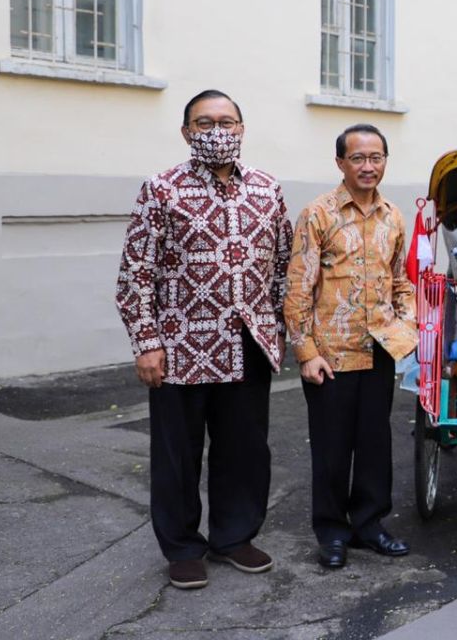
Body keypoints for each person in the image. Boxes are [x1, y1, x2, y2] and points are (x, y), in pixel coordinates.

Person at [115, 89, 292, 590]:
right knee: (178, 455)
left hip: (247, 345)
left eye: (228, 121)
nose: (218, 130)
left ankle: (234, 537)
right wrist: (145, 341)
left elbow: (283, 266)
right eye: (205, 122)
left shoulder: (267, 188)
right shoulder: (161, 189)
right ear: (186, 131)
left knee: (244, 450)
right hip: (179, 348)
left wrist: (279, 329)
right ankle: (182, 547)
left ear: (242, 128)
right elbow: (135, 272)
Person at [284, 123, 418, 569]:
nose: (368, 166)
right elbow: (299, 290)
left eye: (376, 157)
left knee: (375, 443)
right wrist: (306, 353)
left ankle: (369, 525)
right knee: (332, 448)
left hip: (379, 348)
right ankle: (332, 531)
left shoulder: (394, 217)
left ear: (385, 161)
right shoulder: (318, 215)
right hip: (331, 354)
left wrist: (407, 327)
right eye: (358, 158)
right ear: (340, 162)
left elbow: (403, 281)